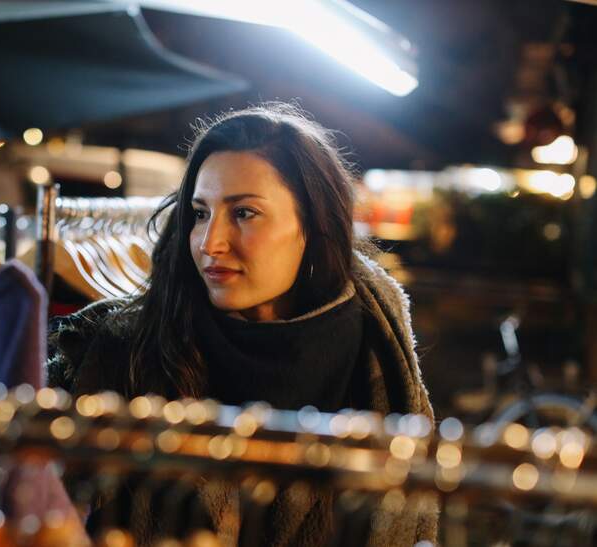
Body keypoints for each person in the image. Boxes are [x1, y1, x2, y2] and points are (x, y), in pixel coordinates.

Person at [48, 103, 437, 546]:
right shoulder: (122, 349)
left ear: (313, 224)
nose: (210, 242)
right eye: (199, 213)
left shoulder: (375, 338)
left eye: (244, 213)